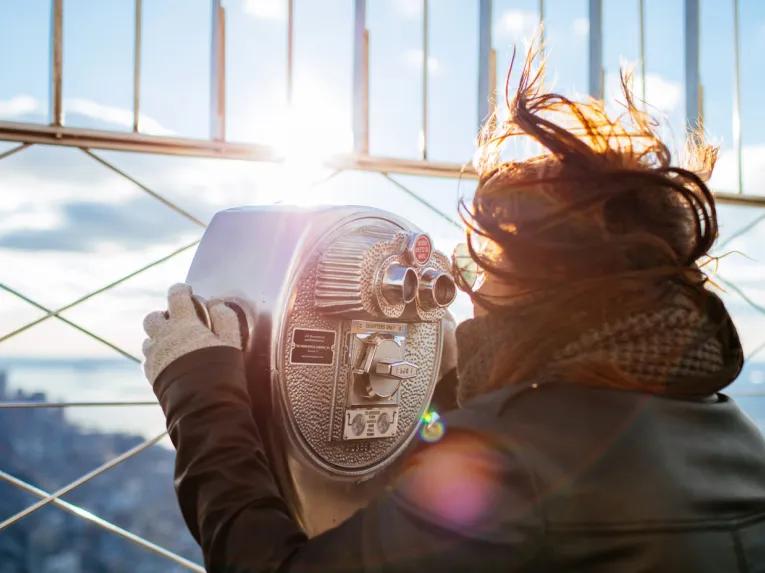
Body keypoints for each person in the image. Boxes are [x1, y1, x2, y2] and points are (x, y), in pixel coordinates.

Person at [142, 47, 765, 572]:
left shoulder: (517, 463)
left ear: (542, 286)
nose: (470, 292)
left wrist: (199, 390)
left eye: (487, 266)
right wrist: (441, 383)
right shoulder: (735, 439)